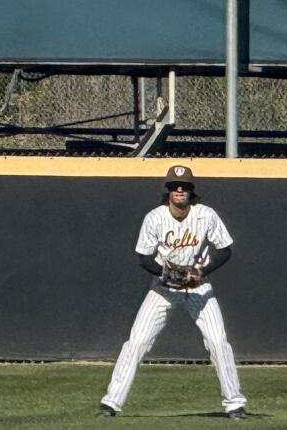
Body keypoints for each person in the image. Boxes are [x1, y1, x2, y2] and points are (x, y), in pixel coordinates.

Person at [98, 165, 248, 420]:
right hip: (163, 289)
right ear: (167, 190)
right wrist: (165, 274)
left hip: (199, 288)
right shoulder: (154, 218)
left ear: (192, 190)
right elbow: (144, 258)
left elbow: (225, 250)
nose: (180, 190)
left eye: (185, 186)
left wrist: (203, 271)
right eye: (175, 186)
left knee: (218, 342)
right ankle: (111, 403)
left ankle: (235, 404)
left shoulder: (206, 215)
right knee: (137, 342)